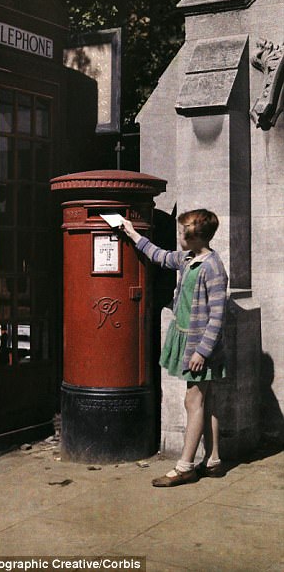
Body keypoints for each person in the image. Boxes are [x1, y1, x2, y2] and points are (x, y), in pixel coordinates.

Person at [119, 209, 228, 487]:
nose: (179, 236)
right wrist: (132, 233)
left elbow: (217, 316)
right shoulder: (188, 259)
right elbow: (159, 256)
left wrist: (202, 352)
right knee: (207, 402)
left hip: (200, 346)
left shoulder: (213, 268)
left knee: (193, 401)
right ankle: (213, 460)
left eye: (183, 232)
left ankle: (185, 467)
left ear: (196, 236)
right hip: (188, 340)